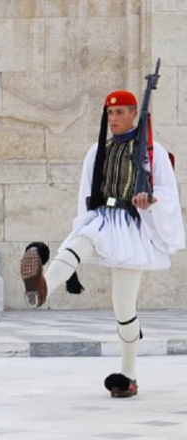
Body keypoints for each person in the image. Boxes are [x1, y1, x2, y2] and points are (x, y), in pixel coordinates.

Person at [20, 89, 184, 398]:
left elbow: (166, 192)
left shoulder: (153, 152)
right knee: (79, 241)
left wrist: (149, 200)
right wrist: (83, 221)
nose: (114, 118)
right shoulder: (98, 150)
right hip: (102, 220)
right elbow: (87, 191)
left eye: (120, 112)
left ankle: (129, 375)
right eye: (110, 113)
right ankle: (42, 288)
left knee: (123, 307)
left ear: (135, 114)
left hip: (132, 227)